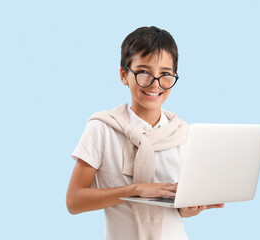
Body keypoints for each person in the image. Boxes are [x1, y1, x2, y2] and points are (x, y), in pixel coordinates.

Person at [66, 26, 224, 240]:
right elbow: (74, 201)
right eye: (143, 72)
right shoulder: (102, 128)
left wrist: (189, 208)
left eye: (165, 74)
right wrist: (136, 189)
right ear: (124, 75)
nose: (155, 83)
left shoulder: (182, 133)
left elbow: (177, 208)